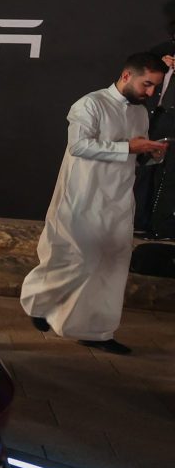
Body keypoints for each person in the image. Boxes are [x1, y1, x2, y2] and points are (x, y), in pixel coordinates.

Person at [21, 54, 170, 354]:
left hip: (118, 199)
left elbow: (134, 153)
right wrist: (129, 147)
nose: (151, 93)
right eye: (148, 84)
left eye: (156, 87)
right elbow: (78, 145)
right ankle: (38, 302)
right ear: (127, 76)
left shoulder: (140, 113)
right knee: (76, 258)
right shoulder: (90, 104)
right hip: (82, 195)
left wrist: (149, 153)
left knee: (112, 266)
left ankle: (96, 331)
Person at [132, 26, 174, 235]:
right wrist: (162, 68)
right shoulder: (160, 51)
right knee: (147, 167)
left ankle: (164, 224)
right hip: (156, 117)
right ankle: (140, 221)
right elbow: (140, 78)